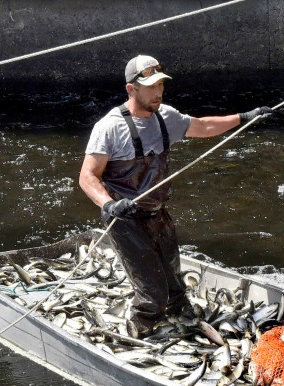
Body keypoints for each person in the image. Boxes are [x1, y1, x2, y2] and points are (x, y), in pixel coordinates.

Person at [79, 54, 271, 338]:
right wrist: (109, 204)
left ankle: (179, 309)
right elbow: (88, 176)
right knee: (153, 292)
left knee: (172, 275)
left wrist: (245, 117)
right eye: (150, 86)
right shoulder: (109, 127)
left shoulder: (166, 117)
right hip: (125, 220)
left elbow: (203, 126)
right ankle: (139, 325)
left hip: (158, 213)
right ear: (131, 89)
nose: (158, 92)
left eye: (161, 85)